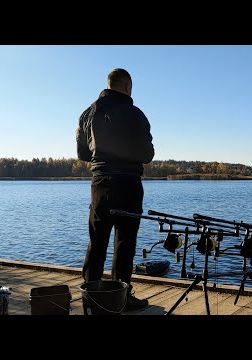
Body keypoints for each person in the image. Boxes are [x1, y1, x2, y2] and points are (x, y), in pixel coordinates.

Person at [76, 68, 155, 311]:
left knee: (96, 241)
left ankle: (90, 296)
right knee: (125, 243)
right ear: (127, 87)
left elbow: (82, 154)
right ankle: (122, 298)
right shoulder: (136, 114)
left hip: (100, 183)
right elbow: (147, 154)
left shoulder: (87, 113)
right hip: (129, 183)